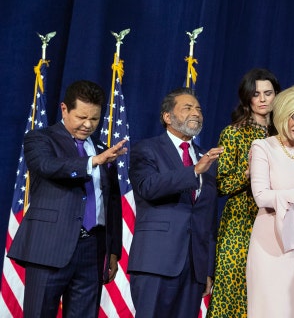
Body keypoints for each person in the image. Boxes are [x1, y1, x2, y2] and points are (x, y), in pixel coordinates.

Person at [8, 80, 127, 317]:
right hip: (49, 248)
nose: (88, 124)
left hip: (92, 250)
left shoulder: (102, 148)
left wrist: (113, 250)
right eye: (81, 117)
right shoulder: (40, 139)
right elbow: (48, 166)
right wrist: (92, 162)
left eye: (94, 119)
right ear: (64, 109)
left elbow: (112, 201)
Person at [127, 87, 223, 317]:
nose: (196, 113)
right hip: (156, 262)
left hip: (193, 269)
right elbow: (148, 187)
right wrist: (193, 171)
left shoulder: (206, 158)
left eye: (198, 109)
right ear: (167, 117)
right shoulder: (147, 149)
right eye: (187, 108)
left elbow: (208, 219)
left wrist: (207, 269)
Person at [208, 68, 281, 317]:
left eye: (268, 93)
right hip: (240, 222)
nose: (262, 99)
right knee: (234, 288)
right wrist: (248, 173)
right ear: (247, 98)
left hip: (276, 220)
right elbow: (220, 185)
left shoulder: (284, 135)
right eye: (256, 93)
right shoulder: (234, 133)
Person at [246, 84, 294, 318]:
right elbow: (261, 196)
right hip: (269, 243)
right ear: (282, 115)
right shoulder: (263, 147)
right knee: (268, 309)